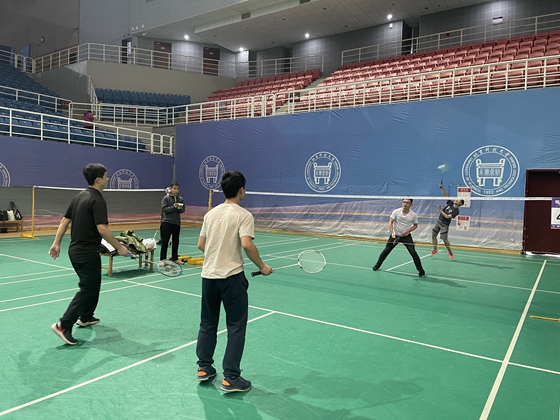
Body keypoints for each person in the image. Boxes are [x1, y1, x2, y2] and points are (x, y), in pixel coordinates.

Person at [196, 171, 273, 393]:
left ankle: (204, 367)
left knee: (207, 323)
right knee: (236, 326)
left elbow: (201, 245)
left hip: (208, 277)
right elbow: (247, 244)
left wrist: (217, 254)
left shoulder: (211, 214)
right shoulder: (243, 215)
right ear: (241, 190)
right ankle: (230, 377)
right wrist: (262, 266)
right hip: (231, 278)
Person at [49, 163, 130, 345]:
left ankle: (86, 316)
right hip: (86, 252)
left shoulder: (79, 196)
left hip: (76, 251)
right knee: (88, 288)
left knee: (93, 285)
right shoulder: (97, 200)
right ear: (98, 179)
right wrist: (119, 247)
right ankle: (63, 325)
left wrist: (56, 243)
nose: (108, 178)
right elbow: (102, 228)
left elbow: (64, 221)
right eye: (106, 176)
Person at [372, 198, 426, 277]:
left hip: (406, 237)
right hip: (395, 235)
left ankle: (421, 271)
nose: (405, 204)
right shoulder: (396, 212)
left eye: (407, 202)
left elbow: (415, 225)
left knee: (413, 252)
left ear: (411, 204)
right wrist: (392, 232)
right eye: (404, 202)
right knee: (386, 250)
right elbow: (391, 222)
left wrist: (407, 231)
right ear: (402, 203)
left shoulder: (413, 215)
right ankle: (377, 265)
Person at [430, 183, 464, 259]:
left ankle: (450, 251)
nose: (456, 199)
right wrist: (442, 187)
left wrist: (440, 210)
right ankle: (435, 250)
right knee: (433, 236)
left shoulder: (456, 211)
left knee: (444, 239)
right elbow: (445, 195)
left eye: (458, 200)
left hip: (444, 225)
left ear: (460, 203)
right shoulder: (450, 203)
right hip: (438, 222)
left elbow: (447, 216)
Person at [159, 182, 185, 264]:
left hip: (176, 223)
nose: (176, 190)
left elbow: (182, 210)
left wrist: (179, 208)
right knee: (165, 241)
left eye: (177, 189)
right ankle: (162, 259)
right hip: (167, 222)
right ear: (170, 189)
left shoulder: (181, 199)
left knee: (175, 241)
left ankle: (174, 258)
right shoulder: (166, 198)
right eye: (174, 188)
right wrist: (173, 207)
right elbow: (164, 209)